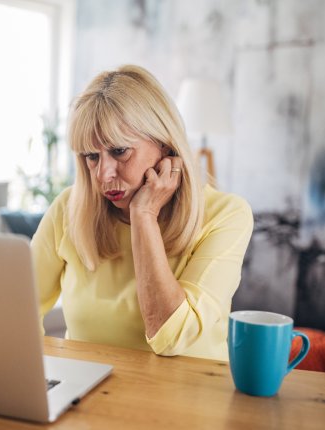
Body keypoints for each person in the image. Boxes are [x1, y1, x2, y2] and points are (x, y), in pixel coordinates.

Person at [31, 65, 253, 360]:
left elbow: (172, 337)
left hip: (189, 399)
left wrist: (144, 214)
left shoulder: (226, 215)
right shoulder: (68, 209)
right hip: (89, 395)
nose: (104, 173)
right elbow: (14, 312)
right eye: (92, 156)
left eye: (120, 151)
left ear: (164, 143)